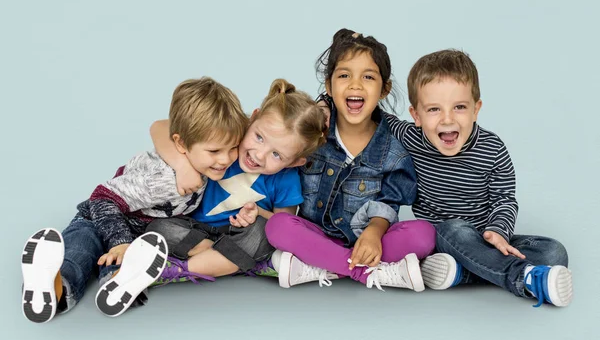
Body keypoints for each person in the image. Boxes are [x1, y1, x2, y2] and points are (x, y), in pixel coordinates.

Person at [321, 49, 573, 307]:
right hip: (439, 238)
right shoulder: (410, 137)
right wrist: (324, 103)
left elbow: (504, 200)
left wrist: (498, 231)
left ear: (476, 109)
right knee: (454, 229)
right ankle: (521, 278)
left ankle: (462, 274)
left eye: (460, 107)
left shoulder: (493, 149)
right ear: (416, 116)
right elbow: (370, 109)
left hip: (486, 241)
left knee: (554, 252)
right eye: (433, 110)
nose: (448, 119)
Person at [20, 77, 248, 322]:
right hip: (98, 219)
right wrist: (120, 240)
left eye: (232, 147)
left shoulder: (202, 161)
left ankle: (114, 285)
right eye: (214, 151)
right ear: (181, 144)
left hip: (138, 233)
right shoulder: (164, 180)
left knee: (124, 265)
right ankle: (52, 283)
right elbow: (101, 197)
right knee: (81, 249)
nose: (226, 159)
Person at [265, 29, 436, 291]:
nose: (355, 85)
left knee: (424, 235)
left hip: (371, 241)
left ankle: (318, 266)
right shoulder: (311, 132)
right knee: (278, 226)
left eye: (368, 77)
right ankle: (364, 272)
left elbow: (388, 204)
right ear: (329, 86)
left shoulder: (393, 149)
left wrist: (374, 232)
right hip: (316, 235)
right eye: (344, 75)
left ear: (384, 89)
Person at [146, 78, 328, 283]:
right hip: (195, 228)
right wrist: (182, 166)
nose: (259, 155)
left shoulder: (287, 180)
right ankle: (225, 261)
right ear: (252, 118)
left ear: (295, 162)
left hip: (242, 235)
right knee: (159, 228)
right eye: (259, 137)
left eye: (276, 154)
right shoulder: (230, 132)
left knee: (262, 235)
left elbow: (284, 226)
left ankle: (176, 271)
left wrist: (258, 213)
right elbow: (160, 127)